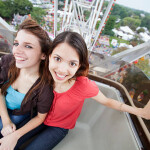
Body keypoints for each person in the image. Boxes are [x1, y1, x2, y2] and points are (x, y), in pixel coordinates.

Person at [15, 31, 150, 150]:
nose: (62, 70)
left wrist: (139, 112)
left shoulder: (83, 85)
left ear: (79, 65)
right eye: (57, 58)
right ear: (49, 56)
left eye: (72, 63)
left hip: (58, 128)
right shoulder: (44, 74)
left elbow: (107, 101)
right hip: (38, 117)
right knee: (10, 140)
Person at [0, 18, 54, 149]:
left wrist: (14, 134)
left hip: (19, 114)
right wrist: (6, 121)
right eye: (16, 43)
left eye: (28, 46)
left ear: (43, 55)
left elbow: (41, 118)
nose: (17, 51)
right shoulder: (8, 62)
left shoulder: (44, 86)